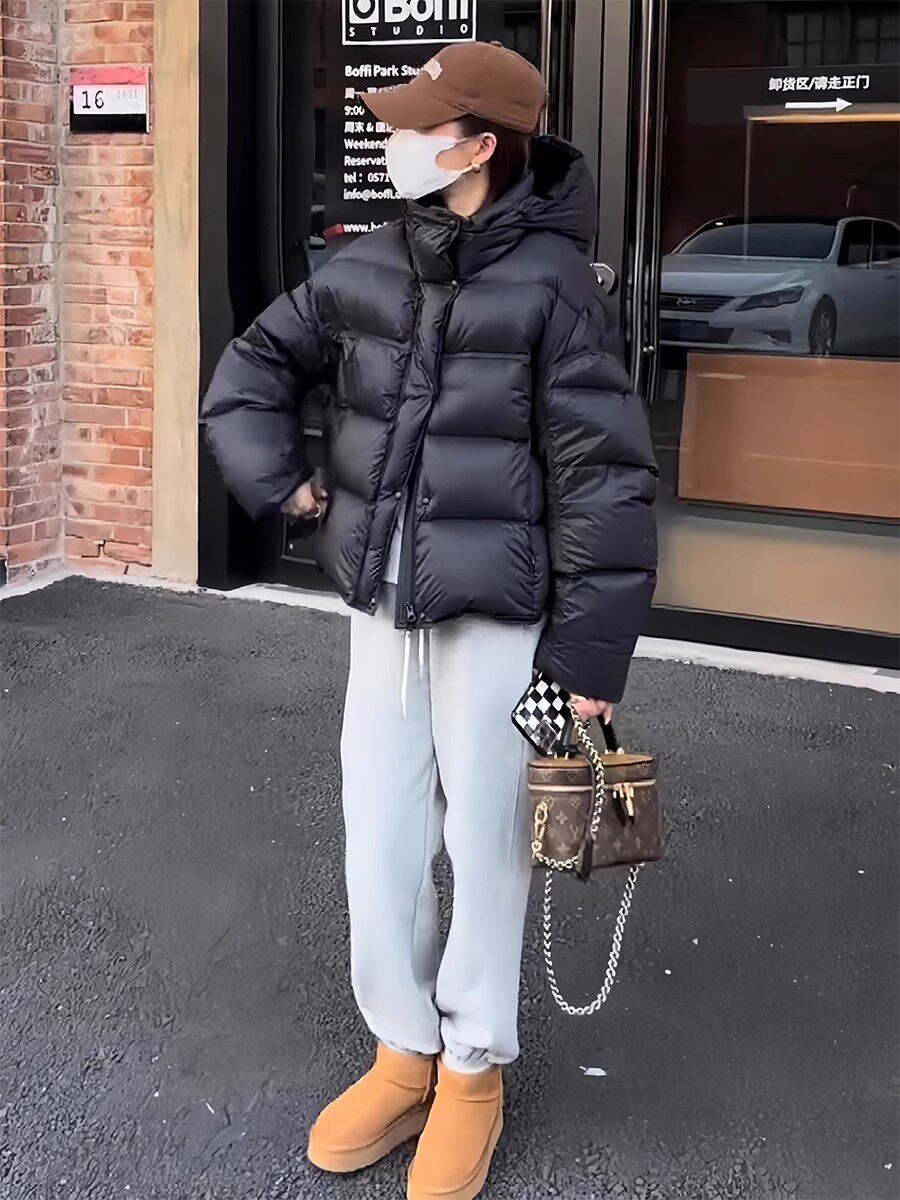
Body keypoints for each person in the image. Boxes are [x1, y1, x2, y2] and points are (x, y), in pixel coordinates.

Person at [201, 39, 657, 1200]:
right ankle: (402, 1050)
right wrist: (290, 491)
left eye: (417, 124)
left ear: (479, 145)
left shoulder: (555, 285)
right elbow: (251, 369)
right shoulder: (370, 262)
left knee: (490, 842)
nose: (395, 139)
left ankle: (472, 1073)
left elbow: (605, 478)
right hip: (383, 615)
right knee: (383, 837)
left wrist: (591, 655)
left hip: (502, 619)